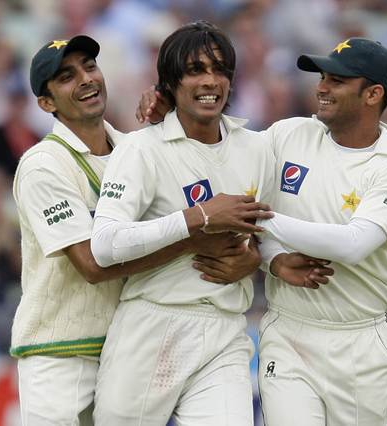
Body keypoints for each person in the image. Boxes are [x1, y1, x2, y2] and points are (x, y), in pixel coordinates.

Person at [138, 37, 387, 425]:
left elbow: (355, 244)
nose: (321, 88)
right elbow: (220, 157)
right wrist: (172, 109)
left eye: (337, 81)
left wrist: (253, 216)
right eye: (322, 77)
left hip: (360, 342)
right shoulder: (288, 135)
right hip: (287, 332)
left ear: (373, 94)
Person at [11, 34, 267, 425]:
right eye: (66, 77)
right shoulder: (44, 165)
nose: (85, 80)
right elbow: (93, 264)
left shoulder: (130, 145)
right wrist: (195, 235)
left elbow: (179, 172)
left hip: (123, 337)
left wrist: (252, 259)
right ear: (46, 104)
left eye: (90, 67)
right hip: (61, 350)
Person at [90, 21, 333, 425]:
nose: (211, 81)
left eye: (220, 70)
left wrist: (264, 261)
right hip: (150, 326)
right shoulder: (140, 149)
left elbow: (265, 230)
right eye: (196, 69)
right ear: (168, 83)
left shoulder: (255, 148)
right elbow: (105, 244)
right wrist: (198, 218)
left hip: (224, 331)